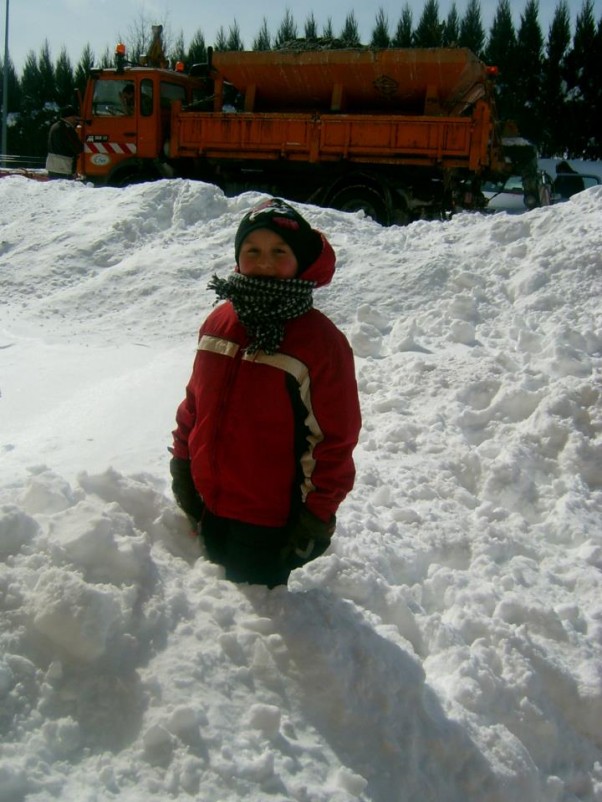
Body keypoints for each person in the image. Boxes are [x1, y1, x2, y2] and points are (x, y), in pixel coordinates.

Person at [170, 198, 362, 587]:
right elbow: (195, 402)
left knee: (255, 625)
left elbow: (333, 440)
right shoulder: (220, 321)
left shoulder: (319, 342)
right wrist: (182, 463)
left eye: (279, 251)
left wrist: (317, 516)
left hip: (269, 520)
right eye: (252, 250)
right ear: (238, 258)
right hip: (207, 501)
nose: (265, 261)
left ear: (301, 260)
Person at [45, 106, 83, 180]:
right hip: (64, 167)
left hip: (52, 165)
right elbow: (77, 148)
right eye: (74, 116)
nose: (76, 119)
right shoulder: (67, 129)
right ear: (69, 117)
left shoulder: (55, 126)